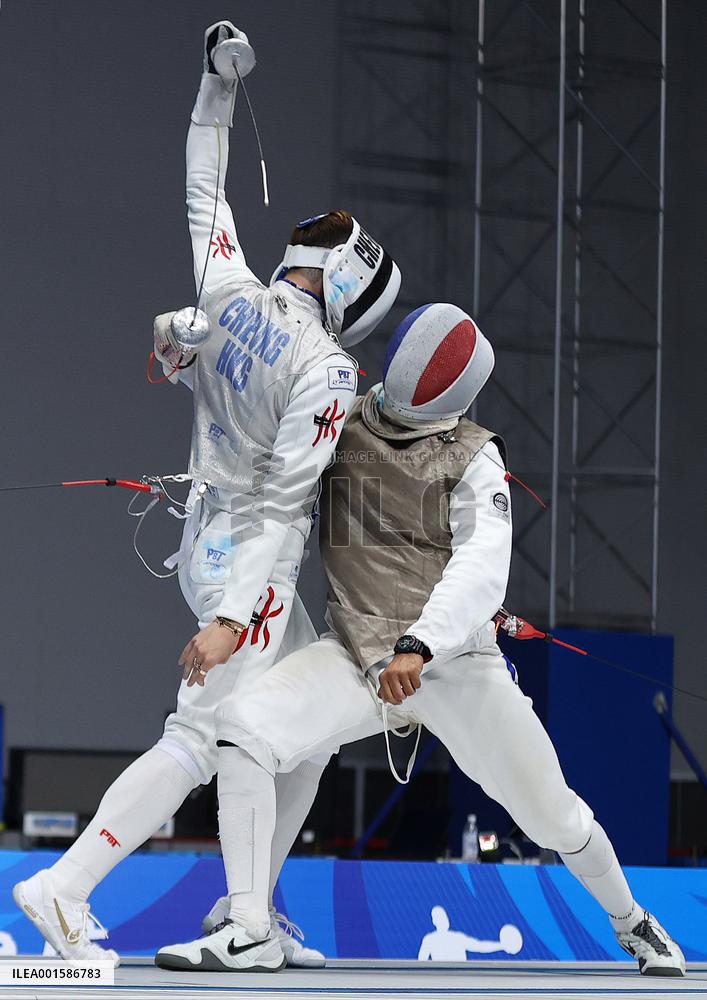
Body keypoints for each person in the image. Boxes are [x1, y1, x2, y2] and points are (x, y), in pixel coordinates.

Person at [12, 21, 399, 970]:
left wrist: (213, 86)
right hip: (243, 563)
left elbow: (202, 185)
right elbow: (282, 507)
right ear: (351, 297)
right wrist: (232, 616)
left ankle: (258, 908)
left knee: (306, 732)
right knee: (203, 734)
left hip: (211, 539)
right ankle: (62, 889)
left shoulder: (226, 289)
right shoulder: (325, 370)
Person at [156, 303, 685, 978]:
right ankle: (249, 924)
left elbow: (478, 569)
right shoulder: (337, 417)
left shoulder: (474, 459)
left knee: (555, 818)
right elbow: (251, 408)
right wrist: (188, 357)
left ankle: (630, 920)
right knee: (243, 731)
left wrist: (420, 644)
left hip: (454, 669)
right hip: (355, 656)